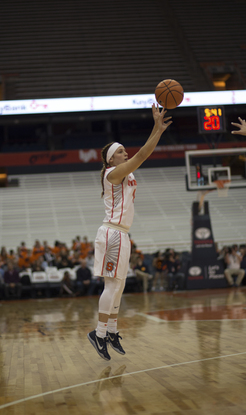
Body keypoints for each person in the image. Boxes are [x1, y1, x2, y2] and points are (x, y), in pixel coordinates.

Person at [87, 103, 172, 360]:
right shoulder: (112, 173)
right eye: (121, 151)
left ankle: (111, 330)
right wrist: (156, 129)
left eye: (125, 151)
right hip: (112, 233)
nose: (126, 153)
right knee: (111, 285)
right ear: (111, 159)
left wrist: (158, 131)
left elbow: (142, 155)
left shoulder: (124, 171)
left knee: (120, 286)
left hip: (122, 234)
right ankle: (99, 333)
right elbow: (143, 155)